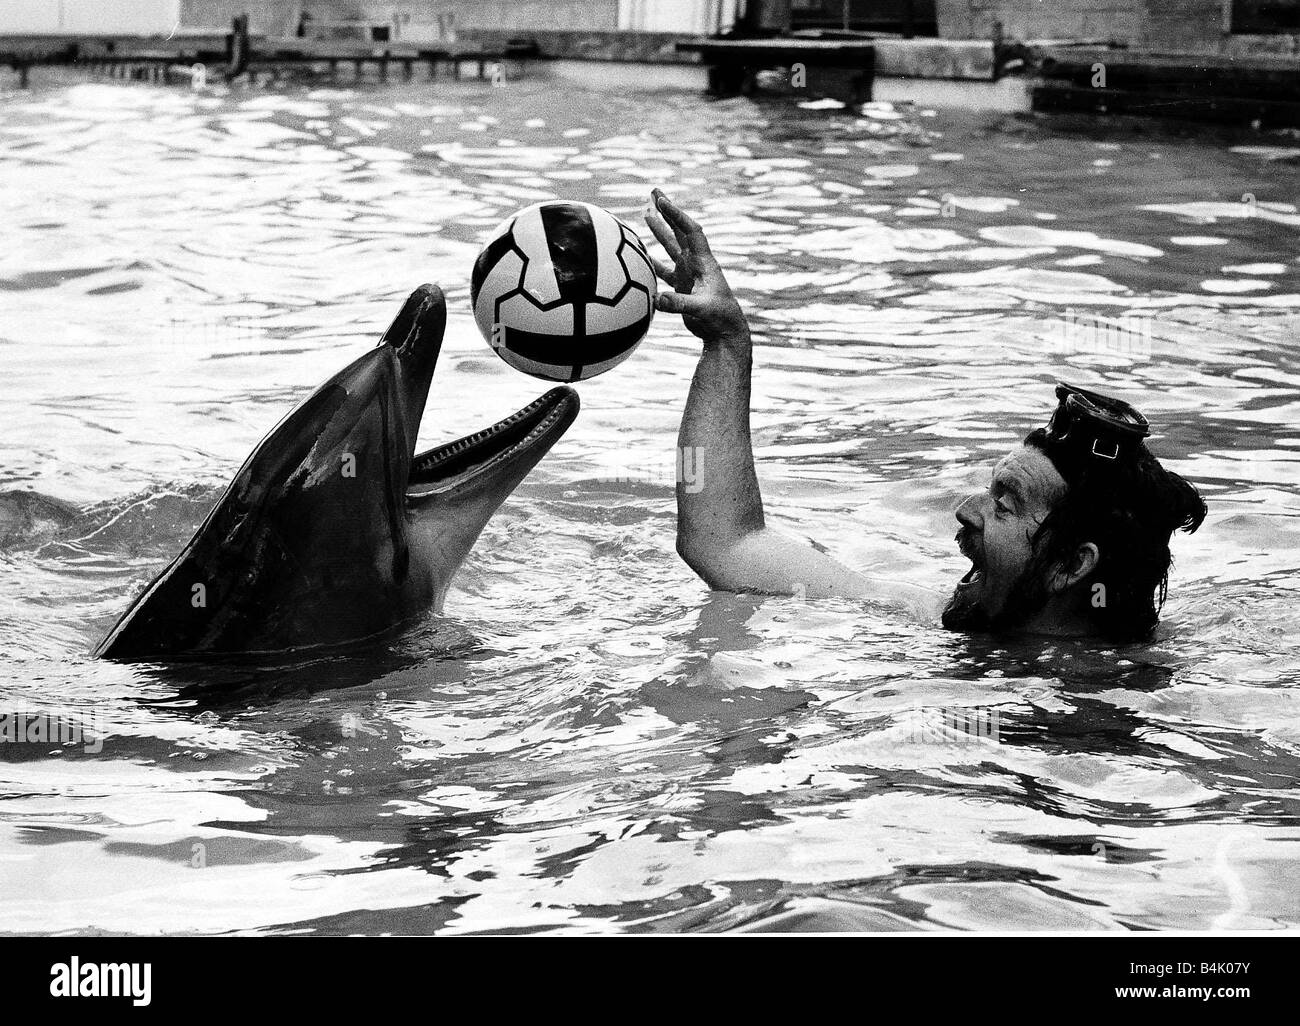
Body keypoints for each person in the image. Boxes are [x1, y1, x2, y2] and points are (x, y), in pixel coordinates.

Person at [643, 189, 1207, 643]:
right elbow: (724, 542)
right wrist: (726, 343)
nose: (964, 511)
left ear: (1071, 567)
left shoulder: (1123, 705)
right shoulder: (948, 618)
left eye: (1004, 504)